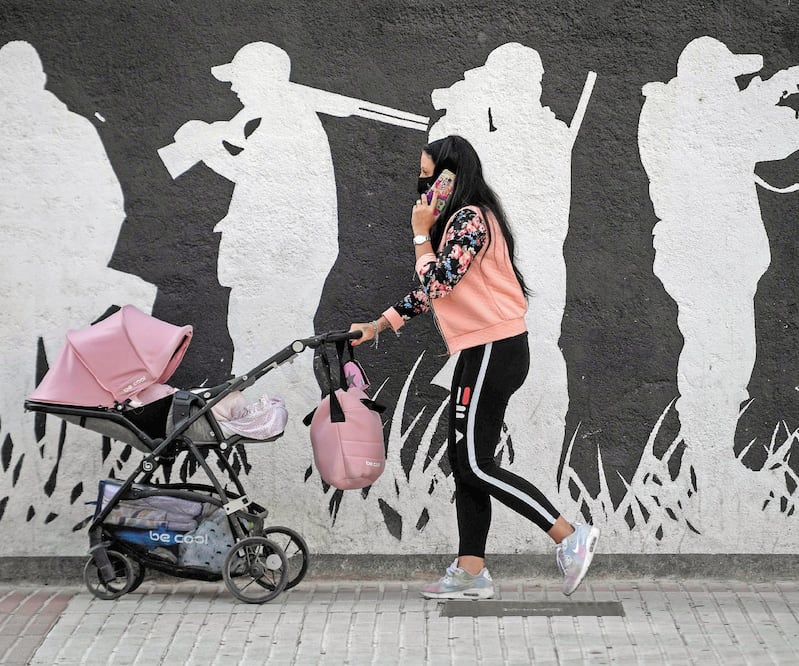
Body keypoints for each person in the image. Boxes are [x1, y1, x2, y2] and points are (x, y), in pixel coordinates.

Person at [349, 135, 600, 598]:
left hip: (494, 350)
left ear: (451, 177)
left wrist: (420, 233)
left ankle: (569, 537)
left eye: (429, 177)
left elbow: (440, 281)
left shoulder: (469, 220)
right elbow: (431, 290)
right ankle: (470, 572)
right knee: (465, 465)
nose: (422, 188)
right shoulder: (463, 222)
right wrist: (379, 325)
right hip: (483, 350)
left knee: (476, 464)